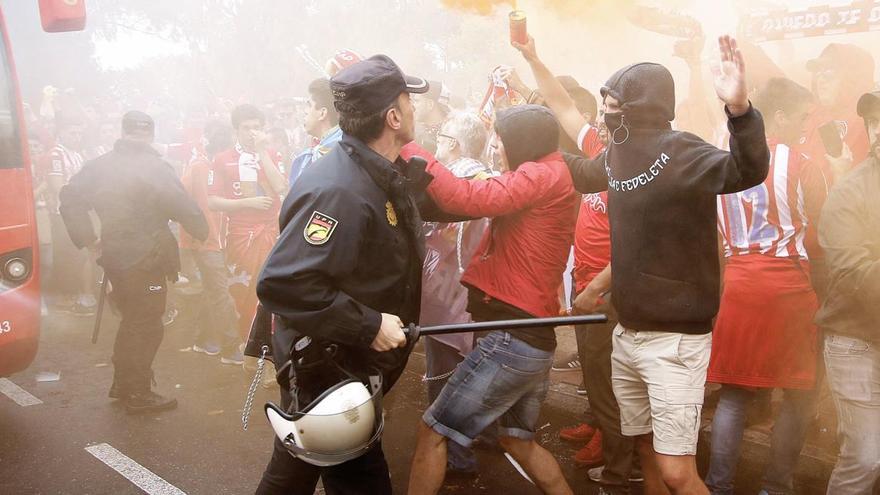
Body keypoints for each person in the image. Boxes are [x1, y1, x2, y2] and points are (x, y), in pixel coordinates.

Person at [516, 34, 769, 495]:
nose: (605, 110)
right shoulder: (616, 153)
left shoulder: (683, 149)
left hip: (674, 340)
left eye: (612, 102)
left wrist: (740, 111)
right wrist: (526, 139)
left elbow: (746, 170)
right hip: (627, 334)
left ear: (635, 106)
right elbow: (582, 170)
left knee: (677, 472)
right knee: (648, 452)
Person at [254, 54, 429, 495]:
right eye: (409, 101)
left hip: (342, 364)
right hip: (328, 367)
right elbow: (285, 282)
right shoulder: (340, 190)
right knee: (354, 477)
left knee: (297, 465)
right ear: (392, 116)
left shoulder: (371, 172)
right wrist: (368, 325)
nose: (415, 110)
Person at [407, 104, 579, 495]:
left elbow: (466, 198)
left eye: (500, 140)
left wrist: (407, 147)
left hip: (513, 337)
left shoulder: (540, 174)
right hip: (527, 337)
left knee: (432, 430)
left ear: (522, 142)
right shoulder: (549, 172)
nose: (496, 148)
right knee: (517, 440)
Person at [705, 77, 827, 495]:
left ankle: (717, 488)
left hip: (738, 285)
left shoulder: (723, 157)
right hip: (789, 287)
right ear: (778, 116)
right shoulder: (803, 163)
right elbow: (822, 232)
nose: (807, 125)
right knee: (798, 393)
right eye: (802, 117)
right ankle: (776, 487)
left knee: (735, 395)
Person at [59, 111, 208, 414]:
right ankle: (138, 392)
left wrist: (89, 240)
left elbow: (69, 198)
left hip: (114, 255)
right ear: (150, 135)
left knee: (131, 321)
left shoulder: (99, 166)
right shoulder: (156, 168)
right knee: (147, 324)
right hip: (147, 257)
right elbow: (181, 205)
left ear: (123, 132)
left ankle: (123, 384)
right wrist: (201, 230)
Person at [406, 110, 493, 479]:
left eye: (441, 137)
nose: (436, 144)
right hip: (479, 291)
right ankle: (484, 433)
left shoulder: (449, 179)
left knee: (444, 376)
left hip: (446, 295)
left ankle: (457, 456)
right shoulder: (491, 177)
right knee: (480, 368)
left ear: (454, 144)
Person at [816, 90, 880, 495]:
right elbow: (856, 274)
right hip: (855, 343)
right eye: (875, 123)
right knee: (865, 457)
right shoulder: (850, 193)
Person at [207, 104, 287, 362]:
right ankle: (245, 344)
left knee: (271, 288)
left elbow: (281, 187)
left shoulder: (272, 154)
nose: (252, 133)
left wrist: (263, 152)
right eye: (246, 128)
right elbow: (212, 201)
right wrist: (245, 204)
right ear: (236, 130)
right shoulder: (222, 158)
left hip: (272, 232)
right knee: (243, 290)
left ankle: (268, 346)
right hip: (240, 234)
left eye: (257, 127)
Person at [179, 121, 241, 360]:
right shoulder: (199, 166)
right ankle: (230, 348)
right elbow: (180, 201)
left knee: (211, 291)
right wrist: (192, 236)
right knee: (220, 293)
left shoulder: (220, 166)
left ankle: (204, 340)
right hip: (206, 241)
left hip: (220, 238)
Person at [46, 114, 94, 316]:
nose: (76, 136)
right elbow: (57, 186)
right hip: (62, 214)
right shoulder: (55, 155)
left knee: (80, 255)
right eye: (72, 132)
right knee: (68, 257)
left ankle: (77, 296)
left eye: (79, 133)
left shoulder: (76, 154)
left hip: (78, 213)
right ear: (61, 132)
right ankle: (64, 301)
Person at [288, 78, 343, 188]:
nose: (304, 112)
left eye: (309, 105)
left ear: (322, 113)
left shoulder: (331, 152)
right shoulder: (349, 143)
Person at [412, 80, 451, 154]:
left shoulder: (450, 137)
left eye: (417, 101)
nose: (413, 106)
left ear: (430, 104)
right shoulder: (413, 131)